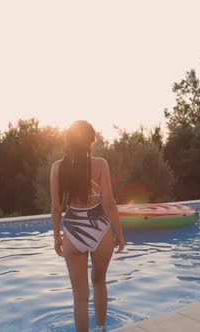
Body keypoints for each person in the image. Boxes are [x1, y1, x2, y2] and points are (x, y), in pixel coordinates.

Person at [50, 120, 125, 332]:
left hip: (73, 232)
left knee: (79, 296)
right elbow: (109, 203)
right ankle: (102, 328)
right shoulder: (101, 164)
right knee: (100, 282)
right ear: (91, 140)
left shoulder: (58, 168)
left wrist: (56, 237)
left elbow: (56, 208)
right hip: (100, 229)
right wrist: (119, 233)